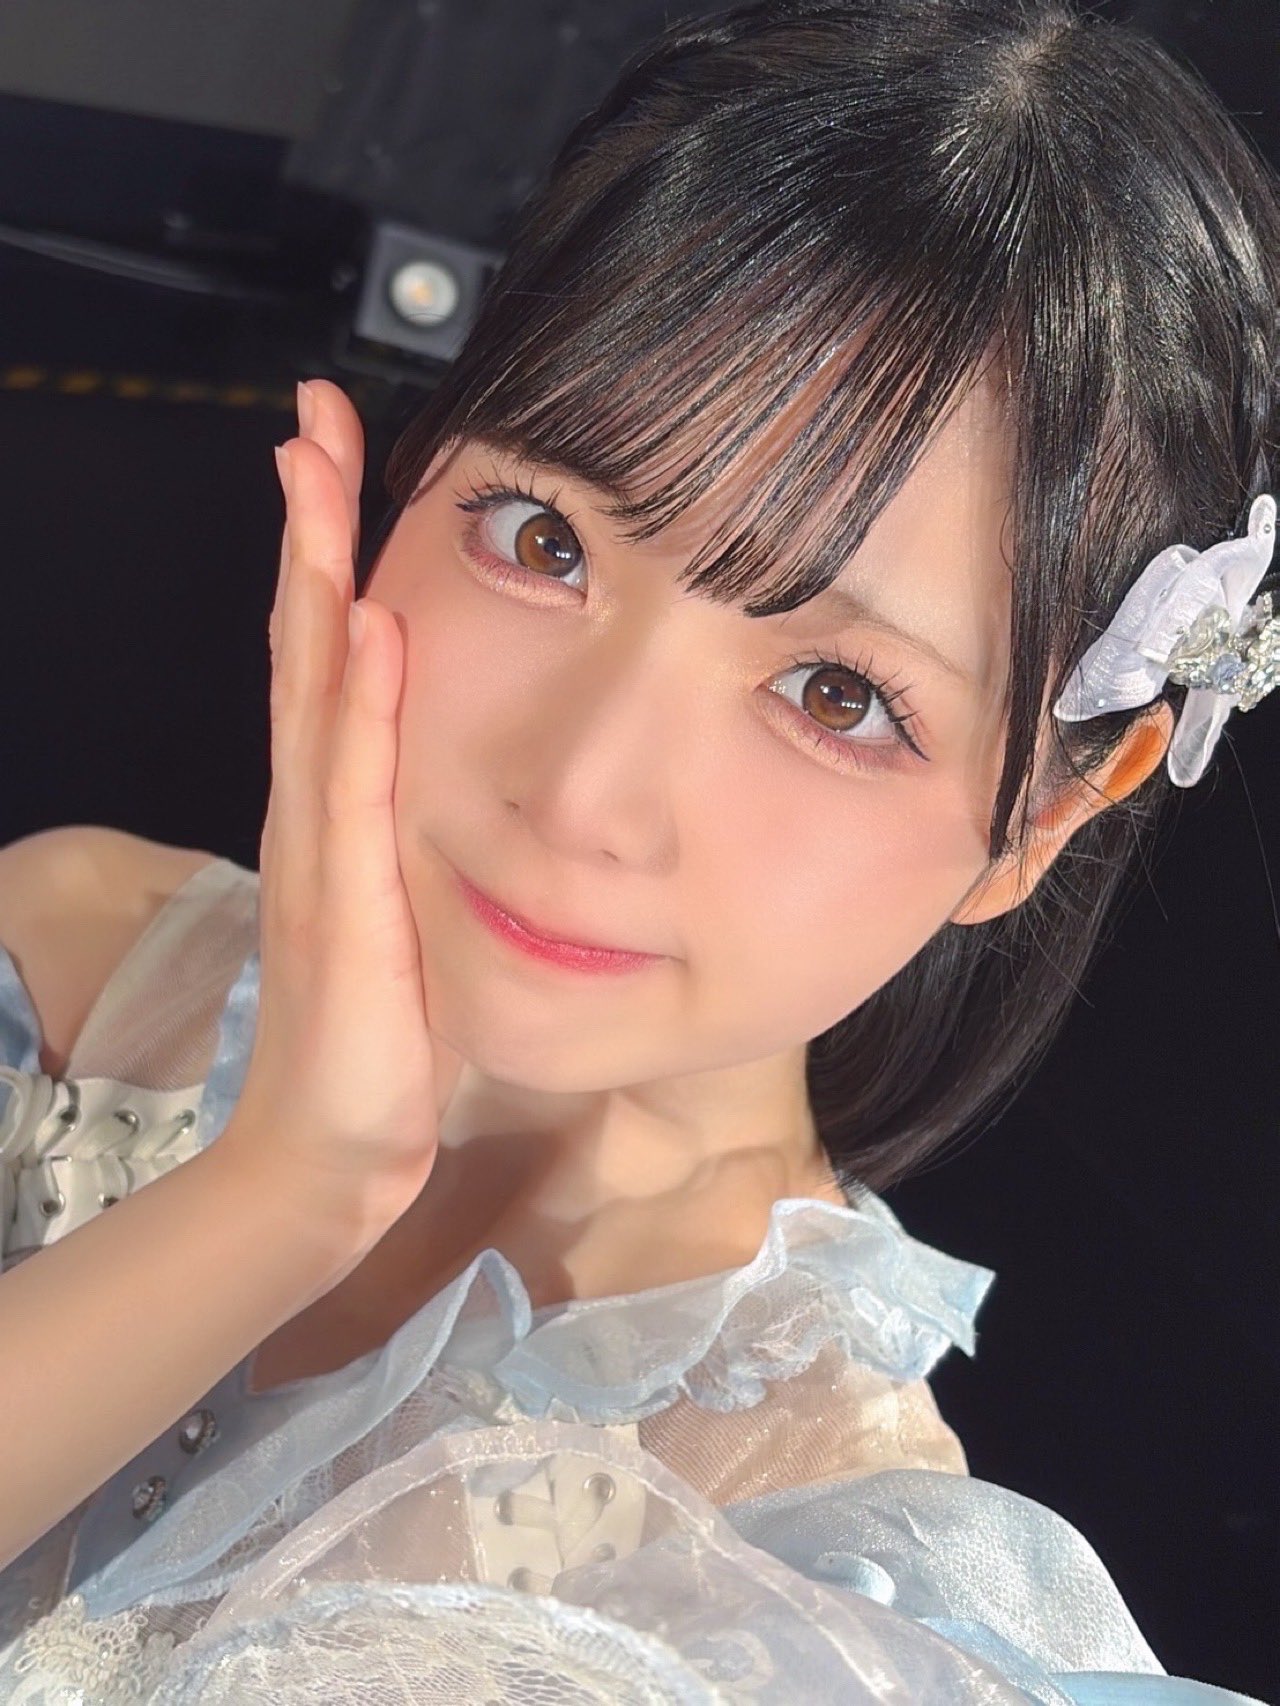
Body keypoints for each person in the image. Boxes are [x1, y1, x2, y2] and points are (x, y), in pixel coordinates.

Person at [0, 0, 1275, 1697]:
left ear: (1042, 815)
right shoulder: (72, 962)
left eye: (836, 694)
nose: (584, 788)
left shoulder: (821, 1581)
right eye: (544, 539)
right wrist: (283, 1187)